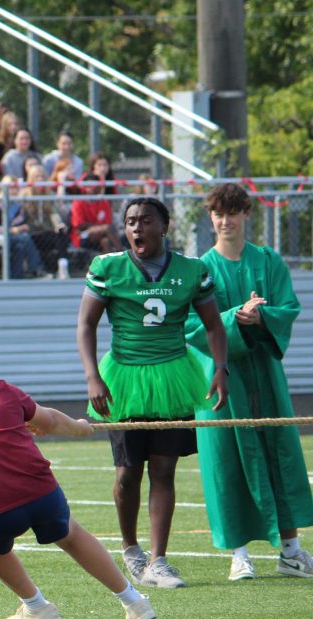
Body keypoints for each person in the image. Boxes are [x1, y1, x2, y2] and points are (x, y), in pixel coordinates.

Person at [0, 325, 158, 619]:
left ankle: (36, 606)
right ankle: (134, 602)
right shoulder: (6, 392)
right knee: (70, 533)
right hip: (39, 490)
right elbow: (48, 419)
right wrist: (79, 427)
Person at [77, 196, 229, 589]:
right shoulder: (108, 267)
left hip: (173, 375)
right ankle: (131, 549)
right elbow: (86, 325)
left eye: (145, 221)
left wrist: (221, 369)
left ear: (165, 226)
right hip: (125, 377)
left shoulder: (192, 270)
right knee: (129, 472)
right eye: (130, 222)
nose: (136, 228)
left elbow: (214, 325)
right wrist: (93, 376)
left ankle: (159, 560)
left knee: (164, 469)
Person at [184, 183, 313, 580]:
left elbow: (287, 307)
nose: (226, 221)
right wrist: (233, 317)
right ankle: (239, 555)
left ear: (246, 215)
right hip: (220, 377)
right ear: (211, 218)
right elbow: (191, 325)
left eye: (233, 213)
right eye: (219, 214)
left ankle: (291, 551)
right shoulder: (199, 268)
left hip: (265, 372)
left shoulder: (268, 261)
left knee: (280, 450)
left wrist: (262, 316)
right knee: (226, 460)